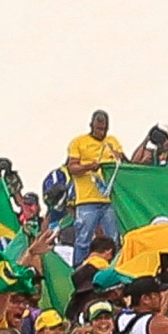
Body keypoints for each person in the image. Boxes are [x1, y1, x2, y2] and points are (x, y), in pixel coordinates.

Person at [65, 112, 126, 266]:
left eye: (104, 129)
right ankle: (79, 270)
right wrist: (89, 167)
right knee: (83, 240)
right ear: (91, 125)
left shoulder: (112, 141)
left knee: (113, 239)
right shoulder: (79, 142)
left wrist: (117, 155)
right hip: (87, 200)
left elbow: (123, 163)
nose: (101, 133)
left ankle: (113, 269)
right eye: (98, 129)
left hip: (110, 200)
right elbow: (72, 168)